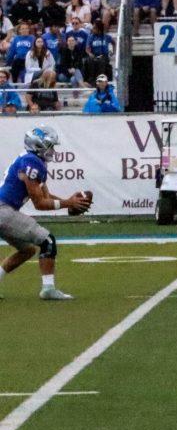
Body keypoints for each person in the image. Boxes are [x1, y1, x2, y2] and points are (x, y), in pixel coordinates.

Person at [0, 126, 89, 300]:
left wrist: (68, 202)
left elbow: (44, 197)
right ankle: (48, 289)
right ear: (38, 145)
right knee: (47, 241)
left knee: (27, 250)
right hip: (3, 211)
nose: (53, 151)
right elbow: (40, 204)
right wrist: (68, 203)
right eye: (50, 146)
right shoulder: (32, 163)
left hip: (4, 211)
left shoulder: (32, 161)